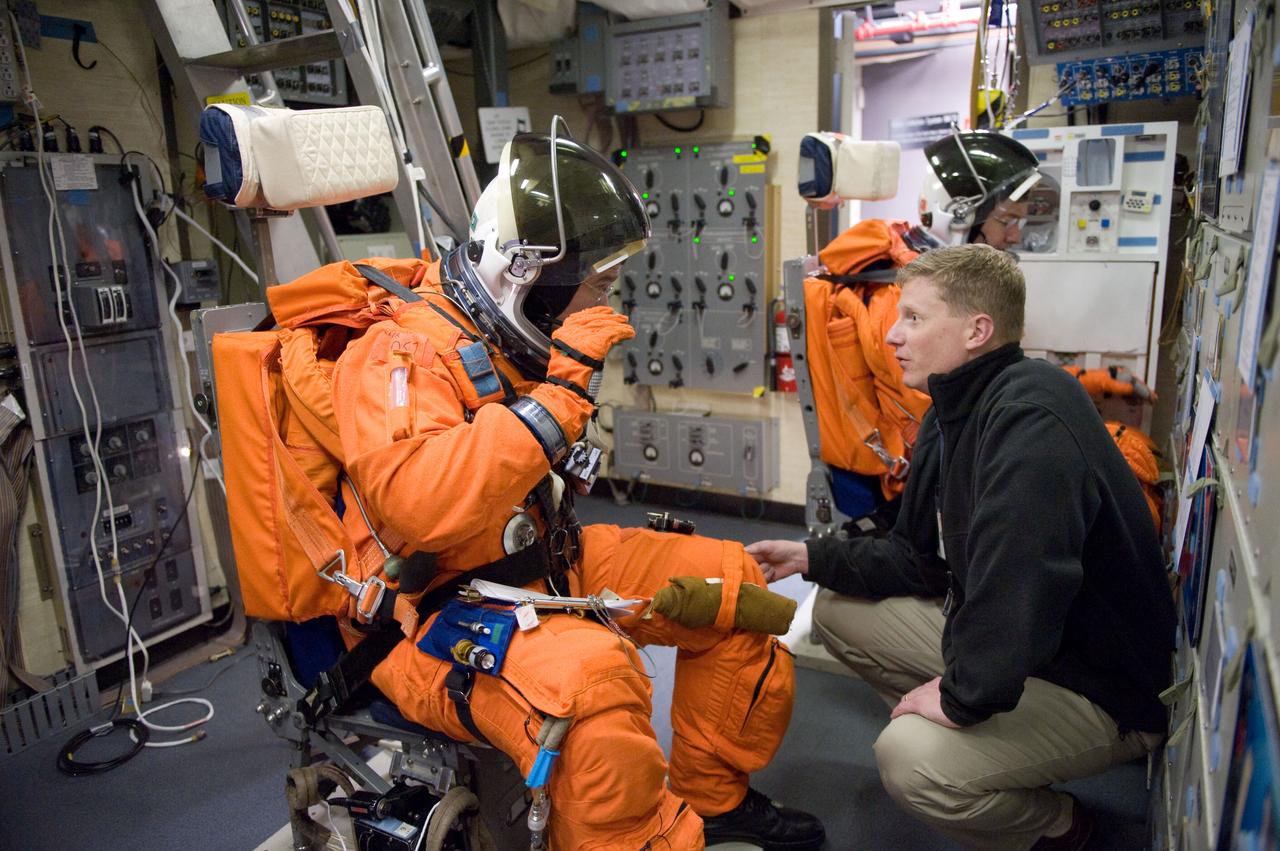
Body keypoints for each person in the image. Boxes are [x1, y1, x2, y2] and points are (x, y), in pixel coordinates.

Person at [329, 127, 825, 850]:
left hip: (543, 565)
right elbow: (420, 504)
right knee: (594, 690)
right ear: (528, 276)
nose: (606, 296)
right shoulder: (397, 355)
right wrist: (558, 399)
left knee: (734, 585)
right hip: (436, 614)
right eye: (596, 281)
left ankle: (711, 801)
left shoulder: (499, 338)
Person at [748, 244, 1174, 850]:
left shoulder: (1030, 416)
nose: (892, 335)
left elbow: (1022, 588)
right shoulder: (951, 413)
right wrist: (811, 558)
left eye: (914, 318)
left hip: (1101, 684)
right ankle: (973, 736)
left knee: (908, 763)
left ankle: (1057, 822)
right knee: (835, 611)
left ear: (977, 331)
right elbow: (913, 557)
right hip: (1033, 648)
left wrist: (961, 699)